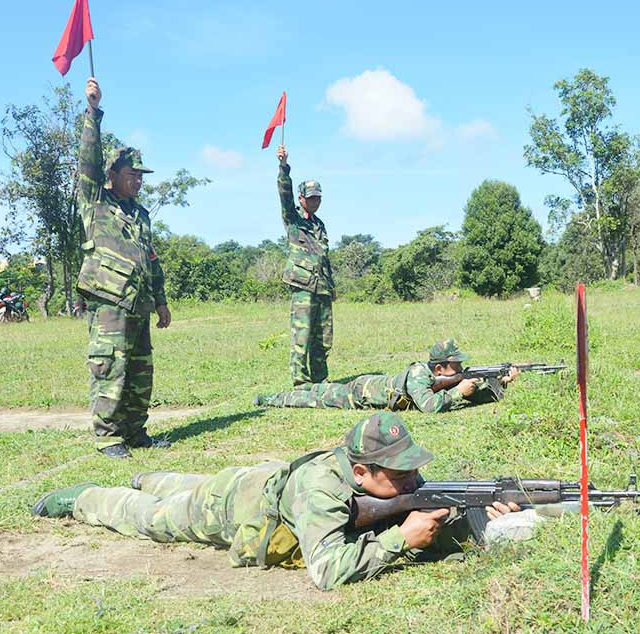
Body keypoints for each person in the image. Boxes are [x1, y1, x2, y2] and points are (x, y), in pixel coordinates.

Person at [31, 412, 522, 590]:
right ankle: (85, 497)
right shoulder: (323, 492)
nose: (415, 478)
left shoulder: (390, 479)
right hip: (236, 507)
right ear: (360, 472)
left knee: (180, 481)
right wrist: (399, 540)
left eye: (413, 466)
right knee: (156, 516)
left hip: (263, 479)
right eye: (401, 472)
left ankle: (148, 474)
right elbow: (326, 572)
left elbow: (424, 514)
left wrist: (480, 522)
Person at [75, 77, 171, 459]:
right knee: (110, 368)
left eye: (140, 176)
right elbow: (88, 161)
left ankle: (134, 430)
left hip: (139, 304)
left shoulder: (141, 215)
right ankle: (107, 436)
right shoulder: (96, 203)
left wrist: (161, 301)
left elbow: (151, 260)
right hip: (110, 303)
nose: (138, 181)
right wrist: (93, 113)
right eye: (132, 174)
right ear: (112, 176)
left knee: (138, 370)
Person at [254, 338, 518, 412]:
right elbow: (429, 406)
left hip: (366, 390)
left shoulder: (439, 378)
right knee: (310, 396)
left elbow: (469, 395)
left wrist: (500, 385)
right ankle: (269, 399)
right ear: (439, 369)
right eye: (456, 366)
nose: (460, 371)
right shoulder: (418, 376)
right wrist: (458, 392)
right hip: (358, 393)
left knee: (313, 391)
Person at [276, 145, 335, 387]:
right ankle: (300, 381)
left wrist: (331, 285)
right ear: (302, 199)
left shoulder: (320, 224)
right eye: (311, 198)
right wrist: (283, 168)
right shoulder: (293, 218)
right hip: (302, 285)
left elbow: (324, 257)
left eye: (318, 197)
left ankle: (320, 379)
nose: (315, 201)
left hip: (321, 287)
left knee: (323, 337)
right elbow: (284, 195)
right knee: (302, 336)